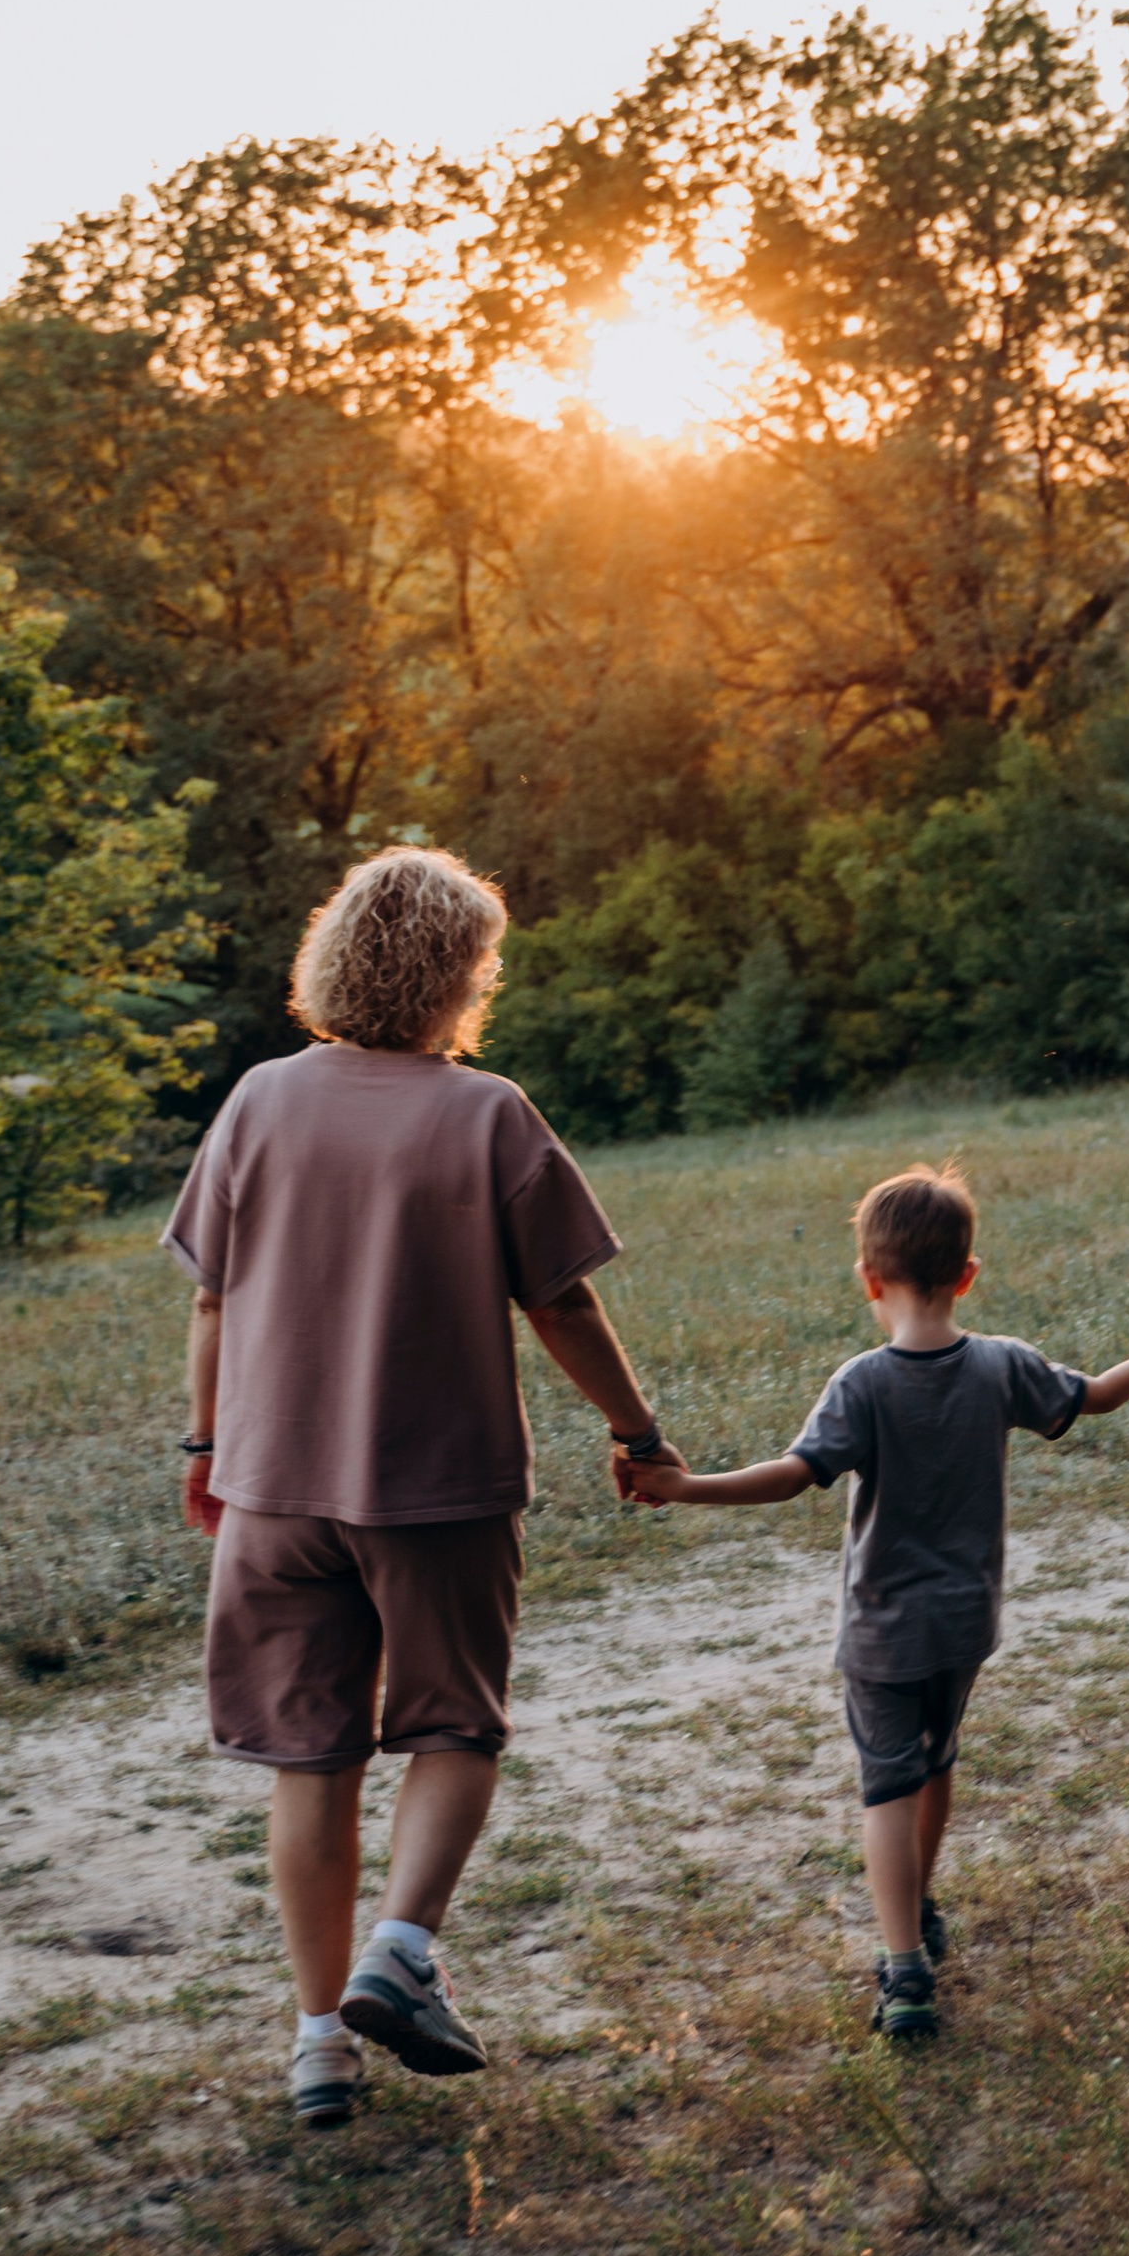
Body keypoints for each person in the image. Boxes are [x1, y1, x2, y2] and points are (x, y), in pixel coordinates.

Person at [166, 845, 679, 2127]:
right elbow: (560, 1301)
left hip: (273, 1488)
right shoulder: (488, 1113)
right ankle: (400, 1950)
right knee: (454, 1725)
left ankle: (317, 2044)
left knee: (311, 1756)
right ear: (459, 974)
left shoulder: (258, 1100)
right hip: (437, 1490)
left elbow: (213, 1297)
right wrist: (635, 1426)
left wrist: (204, 1447)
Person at [619, 1158, 1129, 2040]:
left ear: (868, 1279)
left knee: (888, 1784)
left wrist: (688, 1487)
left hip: (883, 1631)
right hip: (966, 1622)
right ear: (967, 1275)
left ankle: (902, 1967)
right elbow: (1100, 1395)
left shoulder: (862, 1383)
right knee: (936, 1763)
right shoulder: (1002, 1366)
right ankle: (919, 1908)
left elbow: (794, 1476)